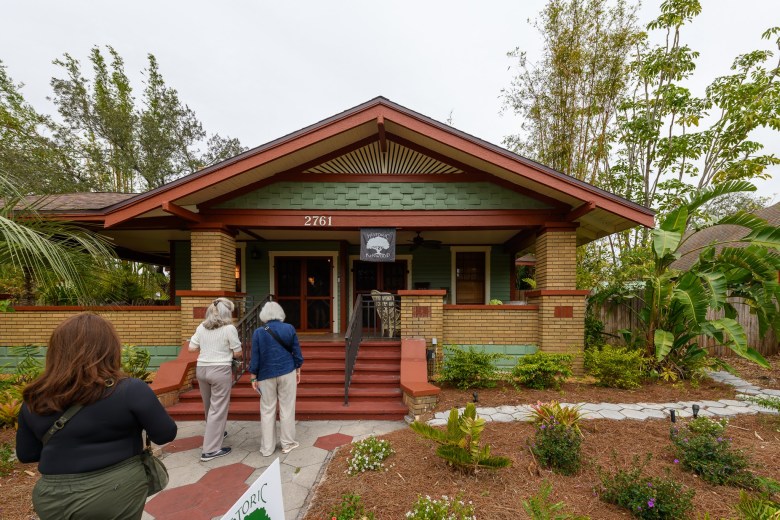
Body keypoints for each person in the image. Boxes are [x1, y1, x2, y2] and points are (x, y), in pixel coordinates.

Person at [16, 313, 177, 520]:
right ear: (109, 349)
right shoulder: (129, 389)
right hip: (114, 491)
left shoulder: (34, 398)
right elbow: (165, 433)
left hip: (52, 498)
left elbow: (27, 454)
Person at [188, 297, 243, 461]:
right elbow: (238, 352)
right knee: (218, 408)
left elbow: (192, 348)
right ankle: (210, 450)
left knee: (209, 405)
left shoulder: (201, 327)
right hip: (220, 369)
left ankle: (216, 432)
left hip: (202, 369)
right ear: (227, 313)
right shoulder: (229, 329)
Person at [249, 301, 304, 457]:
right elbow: (297, 353)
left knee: (267, 410)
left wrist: (253, 377)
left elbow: (255, 357)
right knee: (287, 408)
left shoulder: (259, 332)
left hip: (265, 374)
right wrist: (298, 367)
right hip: (287, 371)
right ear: (280, 313)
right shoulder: (289, 328)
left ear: (264, 314)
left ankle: (267, 448)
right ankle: (287, 443)